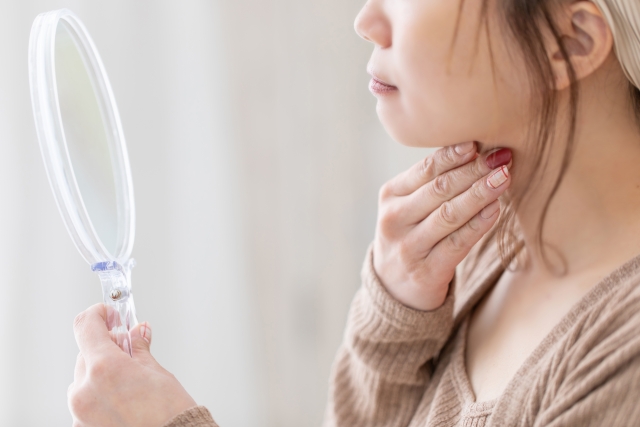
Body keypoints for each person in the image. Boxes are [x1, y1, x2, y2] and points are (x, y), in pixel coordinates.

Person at [68, 0, 640, 426]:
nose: (367, 20)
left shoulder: (626, 358)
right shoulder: (471, 244)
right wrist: (395, 324)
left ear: (570, 41)